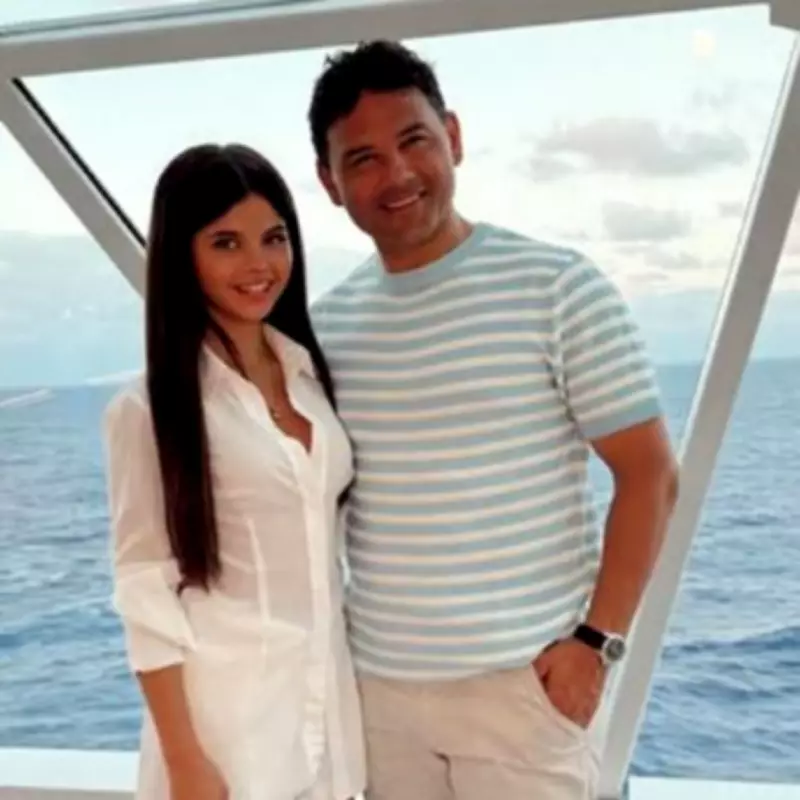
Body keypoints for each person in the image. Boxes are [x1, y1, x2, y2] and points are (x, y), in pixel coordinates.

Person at [307, 39, 680, 800]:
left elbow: (650, 476)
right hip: (380, 696)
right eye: (363, 158)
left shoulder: (558, 287)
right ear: (329, 182)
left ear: (453, 136)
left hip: (524, 692)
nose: (397, 174)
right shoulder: (327, 328)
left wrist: (596, 643)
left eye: (414, 140)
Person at [102, 144, 365, 800]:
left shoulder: (310, 379)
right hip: (226, 738)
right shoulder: (148, 409)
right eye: (226, 243)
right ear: (182, 255)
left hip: (326, 724)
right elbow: (144, 587)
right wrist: (184, 760)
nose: (259, 264)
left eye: (274, 238)